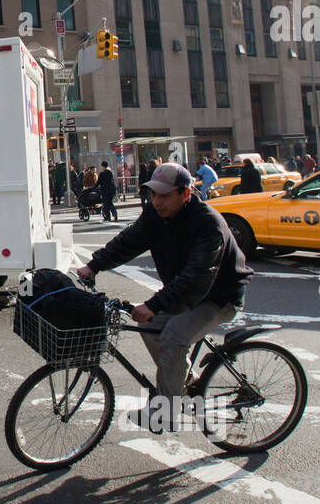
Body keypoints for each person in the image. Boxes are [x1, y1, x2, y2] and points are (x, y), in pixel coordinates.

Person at [77, 161, 253, 433]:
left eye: (165, 195)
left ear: (185, 194)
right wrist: (94, 264)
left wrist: (154, 304)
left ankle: (167, 412)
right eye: (153, 195)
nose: (157, 201)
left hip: (218, 296)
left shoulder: (208, 224)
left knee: (173, 335)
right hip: (186, 290)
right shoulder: (154, 216)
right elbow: (128, 241)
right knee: (149, 325)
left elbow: (196, 278)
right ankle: (182, 380)